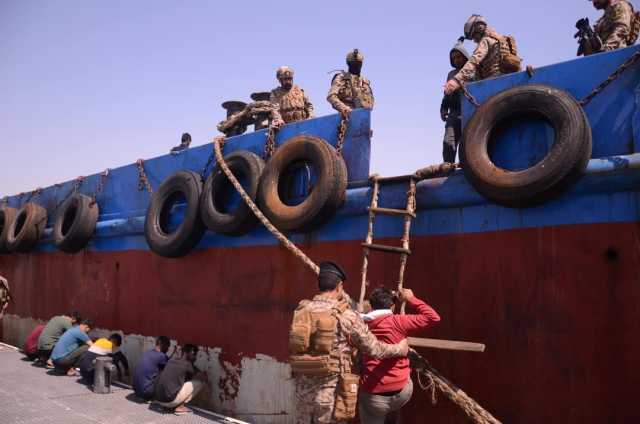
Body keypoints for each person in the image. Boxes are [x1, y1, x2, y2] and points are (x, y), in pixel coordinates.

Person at [291, 261, 409, 424]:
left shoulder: (301, 309)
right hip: (330, 397)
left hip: (301, 393)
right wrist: (400, 348)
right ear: (339, 286)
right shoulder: (347, 316)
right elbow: (375, 349)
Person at [358, 287, 441, 424]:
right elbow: (433, 318)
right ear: (392, 306)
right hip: (402, 392)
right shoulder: (399, 321)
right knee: (393, 406)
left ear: (371, 306)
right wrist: (410, 298)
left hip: (373, 396)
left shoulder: (360, 324)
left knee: (371, 410)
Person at [444, 15, 515, 95]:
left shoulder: (486, 41)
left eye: (474, 36)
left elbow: (474, 60)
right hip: (510, 82)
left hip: (493, 83)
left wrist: (456, 80)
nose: (474, 40)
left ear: (479, 29)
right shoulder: (504, 40)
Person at [154, 344, 207, 414]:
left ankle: (170, 405)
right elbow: (203, 377)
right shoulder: (187, 364)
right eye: (195, 355)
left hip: (158, 400)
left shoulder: (171, 360)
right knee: (199, 383)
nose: (195, 357)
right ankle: (179, 407)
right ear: (191, 353)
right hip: (169, 401)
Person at [440, 41, 471, 163]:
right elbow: (447, 93)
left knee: (467, 144)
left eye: (459, 57)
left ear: (465, 56)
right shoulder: (451, 74)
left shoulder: (473, 71)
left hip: (469, 110)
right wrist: (443, 108)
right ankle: (448, 168)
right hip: (454, 111)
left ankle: (467, 168)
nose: (457, 60)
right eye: (454, 58)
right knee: (448, 142)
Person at [327, 49, 374, 116]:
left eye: (359, 64)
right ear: (348, 64)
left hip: (362, 118)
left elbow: (371, 101)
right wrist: (344, 108)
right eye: (354, 64)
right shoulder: (341, 77)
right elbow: (331, 96)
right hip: (346, 116)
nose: (357, 66)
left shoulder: (364, 81)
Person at [133, 336, 171, 401]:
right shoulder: (162, 356)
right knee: (166, 373)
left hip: (136, 390)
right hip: (146, 393)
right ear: (163, 345)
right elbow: (171, 367)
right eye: (167, 347)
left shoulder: (148, 352)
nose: (168, 349)